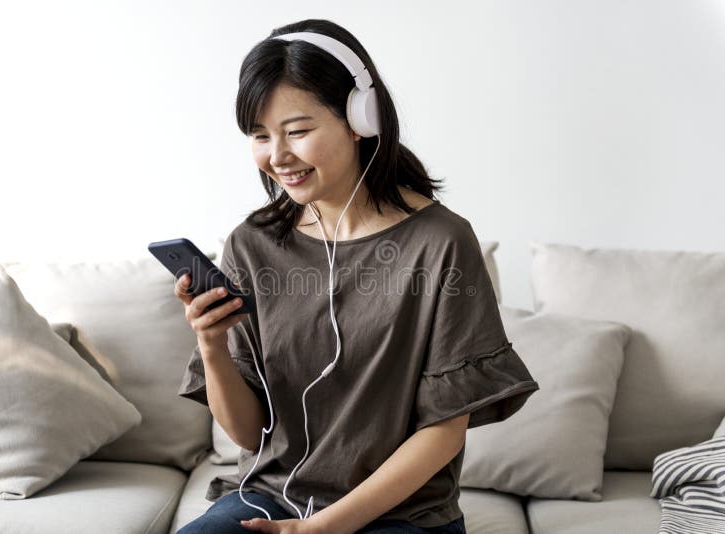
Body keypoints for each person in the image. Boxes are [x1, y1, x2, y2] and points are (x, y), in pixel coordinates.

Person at [174, 18, 539, 534]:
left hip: (403, 515)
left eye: (297, 131)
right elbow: (253, 436)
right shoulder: (251, 244)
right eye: (260, 136)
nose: (277, 157)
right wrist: (211, 348)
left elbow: (445, 431)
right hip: (272, 502)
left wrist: (323, 528)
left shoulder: (440, 243)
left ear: (359, 119)